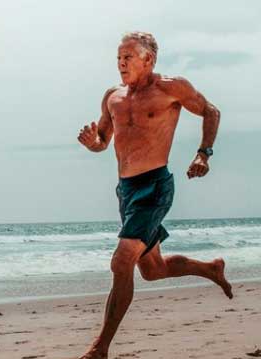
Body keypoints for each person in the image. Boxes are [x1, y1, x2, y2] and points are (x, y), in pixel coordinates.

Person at [76, 31, 233, 359]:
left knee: (122, 262)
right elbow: (103, 140)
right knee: (152, 270)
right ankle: (210, 269)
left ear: (148, 60)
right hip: (126, 191)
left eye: (128, 57)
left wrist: (203, 153)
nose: (121, 63)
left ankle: (99, 348)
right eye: (119, 57)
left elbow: (211, 111)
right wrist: (94, 144)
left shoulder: (170, 88)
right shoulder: (112, 97)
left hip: (155, 186)